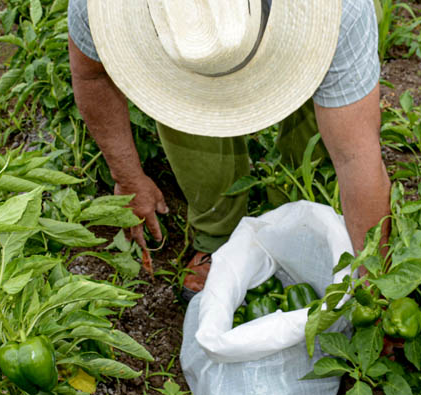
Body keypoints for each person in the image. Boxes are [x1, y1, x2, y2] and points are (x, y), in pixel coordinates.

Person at [67, 0, 391, 299]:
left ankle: (294, 210)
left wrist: (375, 283)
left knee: (325, 103)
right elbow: (91, 77)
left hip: (314, 27)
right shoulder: (97, 7)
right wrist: (128, 179)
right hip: (185, 46)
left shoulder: (341, 11)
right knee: (183, 102)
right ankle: (218, 235)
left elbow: (356, 158)